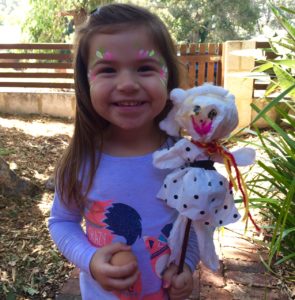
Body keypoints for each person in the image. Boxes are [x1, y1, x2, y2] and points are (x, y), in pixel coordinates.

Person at [48, 3, 199, 300]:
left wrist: (187, 265)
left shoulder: (186, 158)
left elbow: (194, 222)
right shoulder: (83, 160)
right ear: (85, 81)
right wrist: (90, 259)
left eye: (145, 68)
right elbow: (62, 222)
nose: (127, 84)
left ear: (168, 76)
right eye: (107, 69)